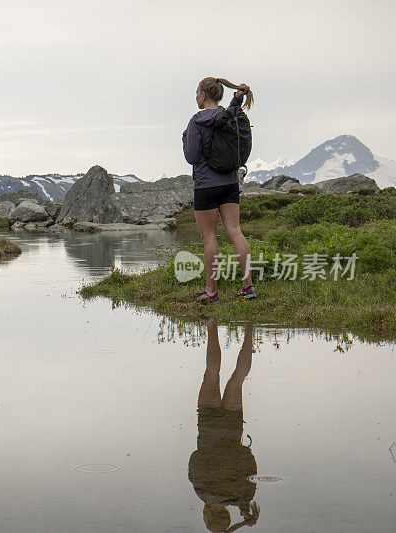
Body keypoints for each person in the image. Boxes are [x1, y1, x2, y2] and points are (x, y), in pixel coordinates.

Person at [182, 77, 256, 304]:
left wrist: (185, 139)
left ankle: (211, 291)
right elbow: (234, 108)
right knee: (235, 231)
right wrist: (237, 98)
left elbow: (191, 156)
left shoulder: (197, 121)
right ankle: (248, 287)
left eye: (197, 93)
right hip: (230, 182)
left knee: (210, 238)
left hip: (206, 184)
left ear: (203, 95)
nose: (196, 97)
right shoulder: (229, 115)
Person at [188, 319, 260, 532]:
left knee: (238, 378)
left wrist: (242, 518)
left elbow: (250, 466)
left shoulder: (241, 498)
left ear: (226, 516)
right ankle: (211, 324)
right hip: (208, 426)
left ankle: (250, 329)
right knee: (212, 372)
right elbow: (194, 458)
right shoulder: (201, 490)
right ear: (207, 514)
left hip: (231, 428)